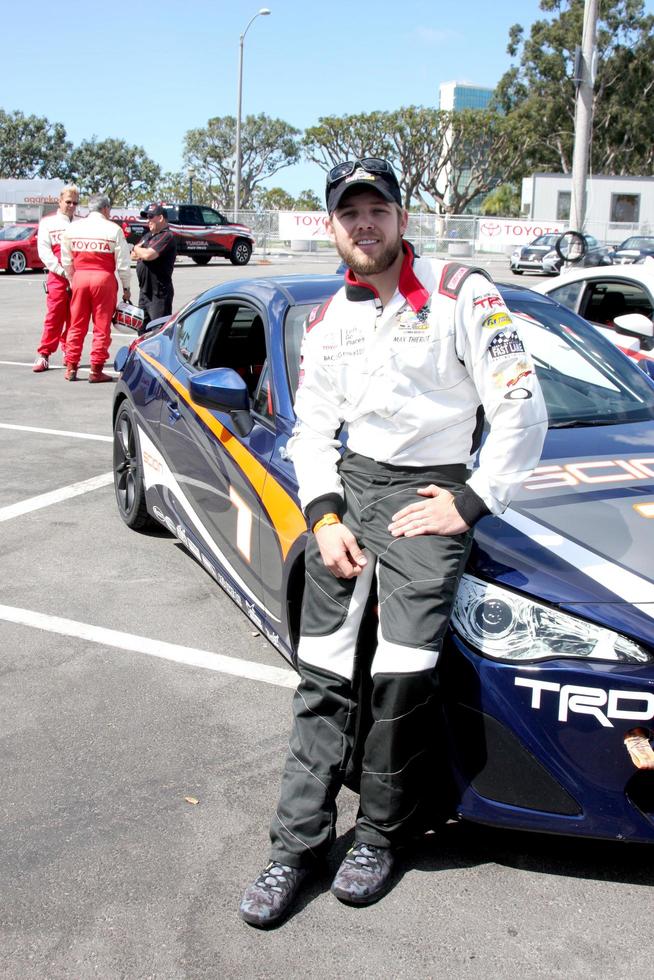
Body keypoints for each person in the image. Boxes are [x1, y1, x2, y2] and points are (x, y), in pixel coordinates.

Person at [239, 158, 549, 928]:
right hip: (349, 494)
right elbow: (312, 432)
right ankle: (296, 846)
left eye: (378, 209)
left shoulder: (459, 293)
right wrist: (325, 516)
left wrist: (472, 500)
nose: (365, 224)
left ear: (403, 219)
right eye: (350, 214)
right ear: (334, 228)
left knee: (402, 680)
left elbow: (521, 405)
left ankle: (380, 833)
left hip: (430, 492)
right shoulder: (326, 320)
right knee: (323, 677)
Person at [61, 194, 132, 383]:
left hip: (80, 278)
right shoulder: (113, 229)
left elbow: (66, 260)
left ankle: (71, 367)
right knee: (101, 327)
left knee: (76, 325)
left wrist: (72, 280)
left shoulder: (73, 228)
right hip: (104, 279)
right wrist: (126, 287)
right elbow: (124, 263)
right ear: (106, 209)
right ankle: (96, 370)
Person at [32, 185, 80, 373]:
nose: (71, 206)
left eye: (75, 203)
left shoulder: (81, 222)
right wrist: (62, 271)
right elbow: (44, 252)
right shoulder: (47, 222)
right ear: (60, 201)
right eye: (68, 202)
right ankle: (44, 354)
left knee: (75, 317)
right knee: (54, 316)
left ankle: (69, 352)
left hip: (78, 277)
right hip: (58, 276)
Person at [131, 205, 176, 329]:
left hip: (159, 295)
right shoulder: (148, 236)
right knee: (142, 331)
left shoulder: (166, 236)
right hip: (145, 292)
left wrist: (137, 248)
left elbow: (148, 254)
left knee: (158, 332)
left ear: (161, 218)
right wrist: (139, 251)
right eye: (146, 217)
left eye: (151, 217)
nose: (148, 220)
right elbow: (133, 256)